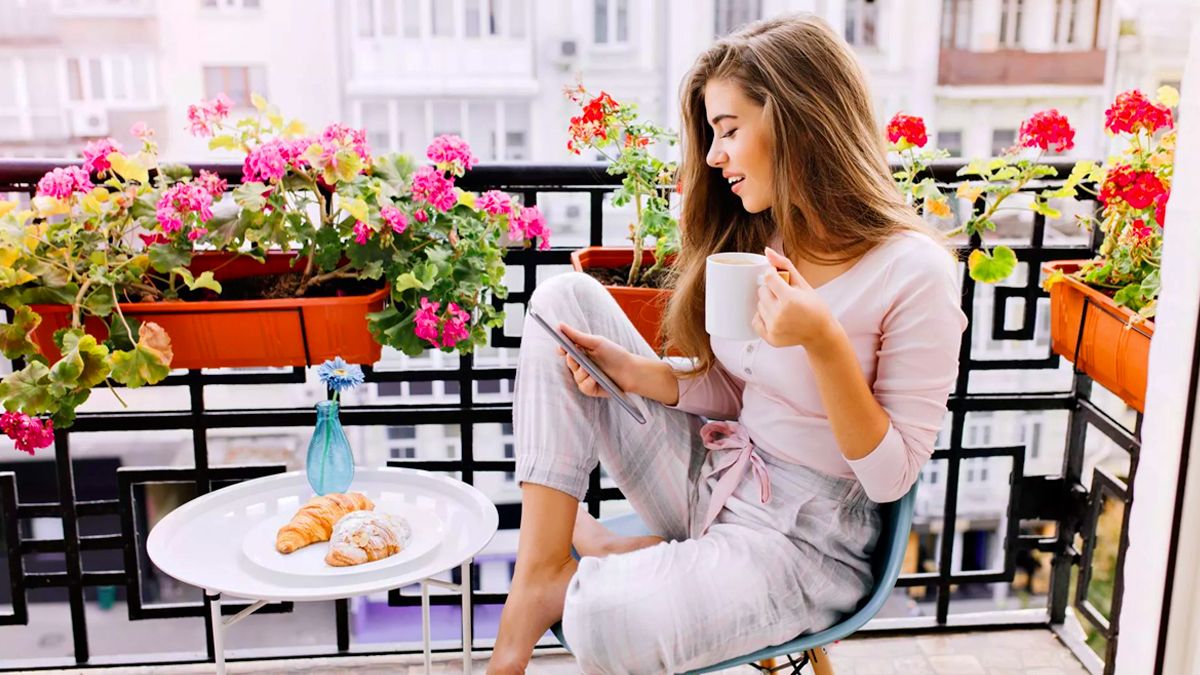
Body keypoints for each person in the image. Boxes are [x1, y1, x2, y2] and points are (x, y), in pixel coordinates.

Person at [487, 13, 968, 675]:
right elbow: (741, 388)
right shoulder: (772, 240)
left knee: (603, 618)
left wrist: (824, 341)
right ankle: (539, 576)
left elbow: (891, 477)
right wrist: (641, 372)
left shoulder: (916, 273)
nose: (714, 157)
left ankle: (624, 561)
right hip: (722, 473)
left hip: (807, 540)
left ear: (798, 121)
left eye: (729, 130)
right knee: (558, 302)